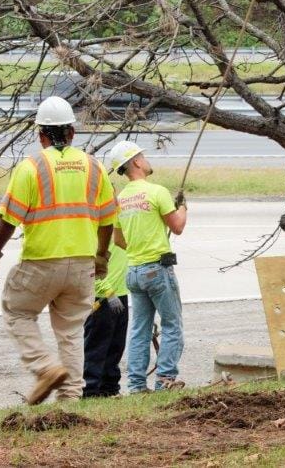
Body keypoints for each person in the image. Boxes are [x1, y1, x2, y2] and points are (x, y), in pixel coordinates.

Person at [0, 96, 117, 404]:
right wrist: (101, 257)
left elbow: (9, 218)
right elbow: (108, 217)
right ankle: (70, 400)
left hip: (42, 261)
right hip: (83, 264)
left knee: (17, 310)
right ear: (72, 132)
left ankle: (45, 368)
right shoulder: (94, 167)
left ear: (40, 134)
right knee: (71, 332)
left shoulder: (31, 167)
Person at [107, 141, 187, 392]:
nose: (147, 159)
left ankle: (136, 385)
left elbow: (118, 240)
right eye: (143, 156)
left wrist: (139, 241)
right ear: (137, 162)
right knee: (172, 325)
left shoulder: (120, 199)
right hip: (158, 270)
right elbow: (178, 227)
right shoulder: (157, 192)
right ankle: (165, 380)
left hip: (134, 272)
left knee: (139, 330)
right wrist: (183, 207)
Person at [82, 238, 129, 398]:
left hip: (120, 293)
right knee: (97, 346)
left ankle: (109, 388)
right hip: (102, 297)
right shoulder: (98, 229)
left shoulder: (118, 224)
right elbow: (89, 267)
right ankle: (90, 390)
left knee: (116, 345)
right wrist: (107, 291)